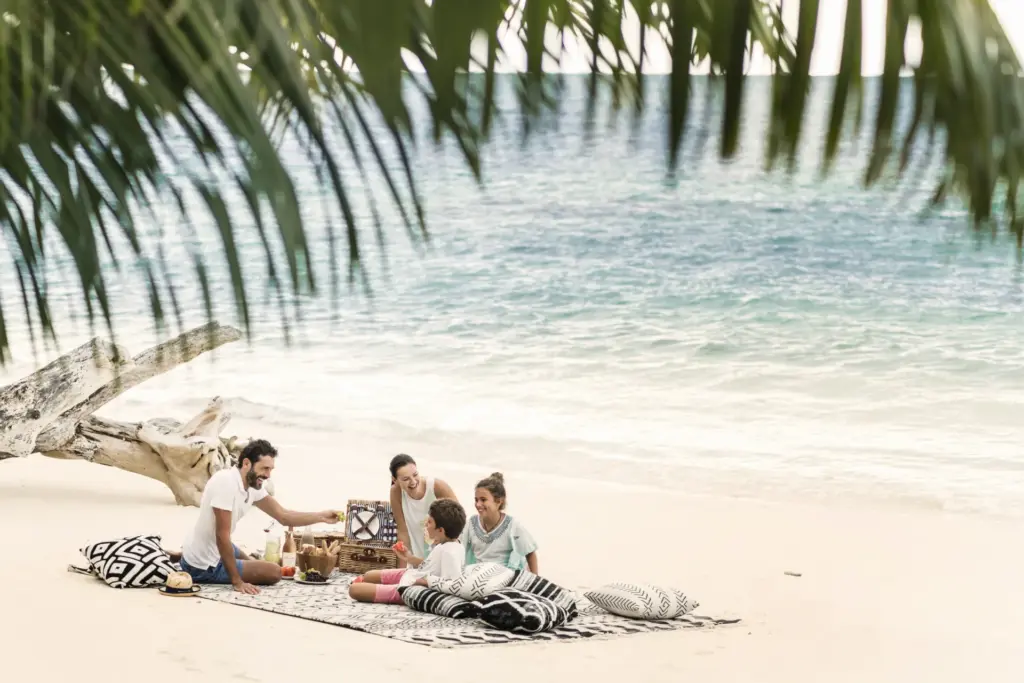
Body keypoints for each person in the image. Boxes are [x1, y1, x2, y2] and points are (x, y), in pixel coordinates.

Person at [179, 439, 339, 595]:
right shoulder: (226, 483)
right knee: (274, 572)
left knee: (252, 561)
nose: (268, 475)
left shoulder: (252, 485)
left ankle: (181, 555)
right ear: (247, 463)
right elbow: (221, 536)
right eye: (265, 468)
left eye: (271, 470)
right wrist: (237, 581)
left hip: (210, 547)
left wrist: (321, 516)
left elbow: (284, 516)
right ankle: (188, 560)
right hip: (203, 565)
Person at [348, 498, 467, 604]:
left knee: (354, 590)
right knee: (369, 575)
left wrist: (425, 582)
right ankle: (366, 583)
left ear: (440, 530)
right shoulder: (444, 542)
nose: (426, 524)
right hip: (413, 574)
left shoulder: (450, 552)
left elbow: (451, 584)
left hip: (410, 588)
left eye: (430, 522)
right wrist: (409, 558)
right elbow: (432, 566)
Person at [461, 472, 538, 573]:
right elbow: (459, 546)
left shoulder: (513, 526)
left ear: (498, 501)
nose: (478, 504)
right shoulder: (471, 523)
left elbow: (530, 552)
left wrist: (535, 581)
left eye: (483, 500)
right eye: (476, 500)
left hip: (504, 577)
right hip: (477, 575)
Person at [389, 454, 458, 564]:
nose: (413, 482)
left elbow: (458, 523)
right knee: (370, 576)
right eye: (406, 479)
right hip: (417, 561)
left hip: (443, 558)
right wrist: (401, 573)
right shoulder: (395, 492)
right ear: (395, 480)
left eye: (415, 475)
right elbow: (403, 532)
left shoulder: (437, 487)